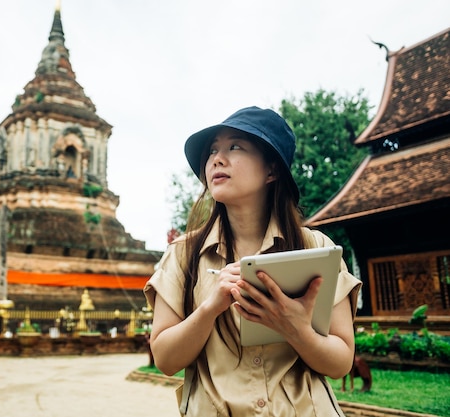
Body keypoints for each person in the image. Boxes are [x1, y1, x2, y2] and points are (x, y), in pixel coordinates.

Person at [144, 106, 361, 416]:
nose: (217, 158)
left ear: (272, 170)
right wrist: (210, 308)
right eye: (213, 150)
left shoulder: (316, 247)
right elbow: (165, 359)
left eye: (235, 146)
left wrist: (296, 328)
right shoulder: (183, 254)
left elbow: (340, 363)